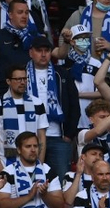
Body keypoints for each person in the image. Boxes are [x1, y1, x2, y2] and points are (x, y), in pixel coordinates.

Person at [26, 35, 79, 178]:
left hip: (58, 137)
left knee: (61, 180)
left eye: (47, 50)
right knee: (28, 178)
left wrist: (68, 135)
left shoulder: (62, 73)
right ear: (31, 52)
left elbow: (74, 105)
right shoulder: (22, 74)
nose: (43, 54)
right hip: (29, 137)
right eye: (39, 50)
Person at [0, 63, 47, 171]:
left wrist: (40, 165)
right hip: (6, 163)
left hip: (32, 164)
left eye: (24, 79)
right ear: (8, 81)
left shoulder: (37, 103)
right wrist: (0, 167)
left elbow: (42, 137)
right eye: (18, 79)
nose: (22, 82)